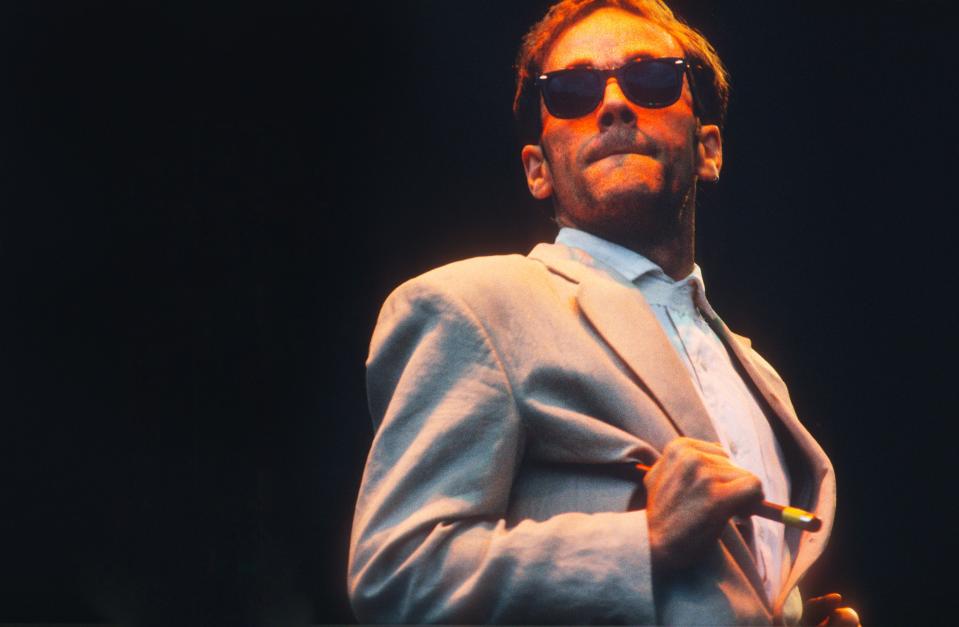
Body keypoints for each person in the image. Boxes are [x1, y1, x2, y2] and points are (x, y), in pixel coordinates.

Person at [349, 1, 861, 624]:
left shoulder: (759, 375)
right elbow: (398, 576)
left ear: (708, 149)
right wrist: (640, 544)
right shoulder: (474, 307)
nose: (614, 103)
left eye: (651, 79)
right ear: (538, 170)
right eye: (570, 92)